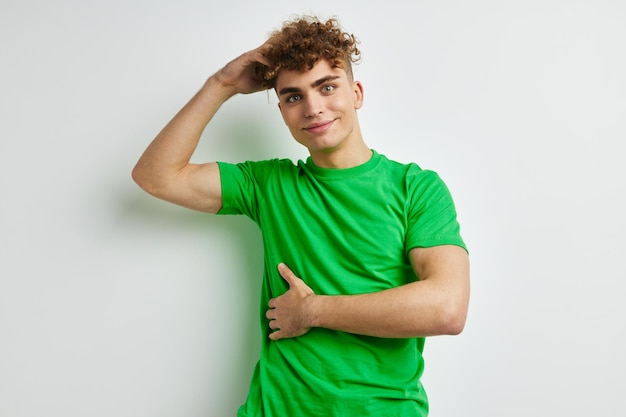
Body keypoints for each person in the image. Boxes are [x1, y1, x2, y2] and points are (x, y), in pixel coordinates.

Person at [132, 14, 470, 417]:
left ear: (357, 92)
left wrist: (313, 311)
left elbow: (447, 308)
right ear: (282, 111)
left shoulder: (415, 187)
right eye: (293, 97)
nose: (313, 107)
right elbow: (156, 176)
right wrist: (219, 85)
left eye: (327, 87)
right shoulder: (268, 184)